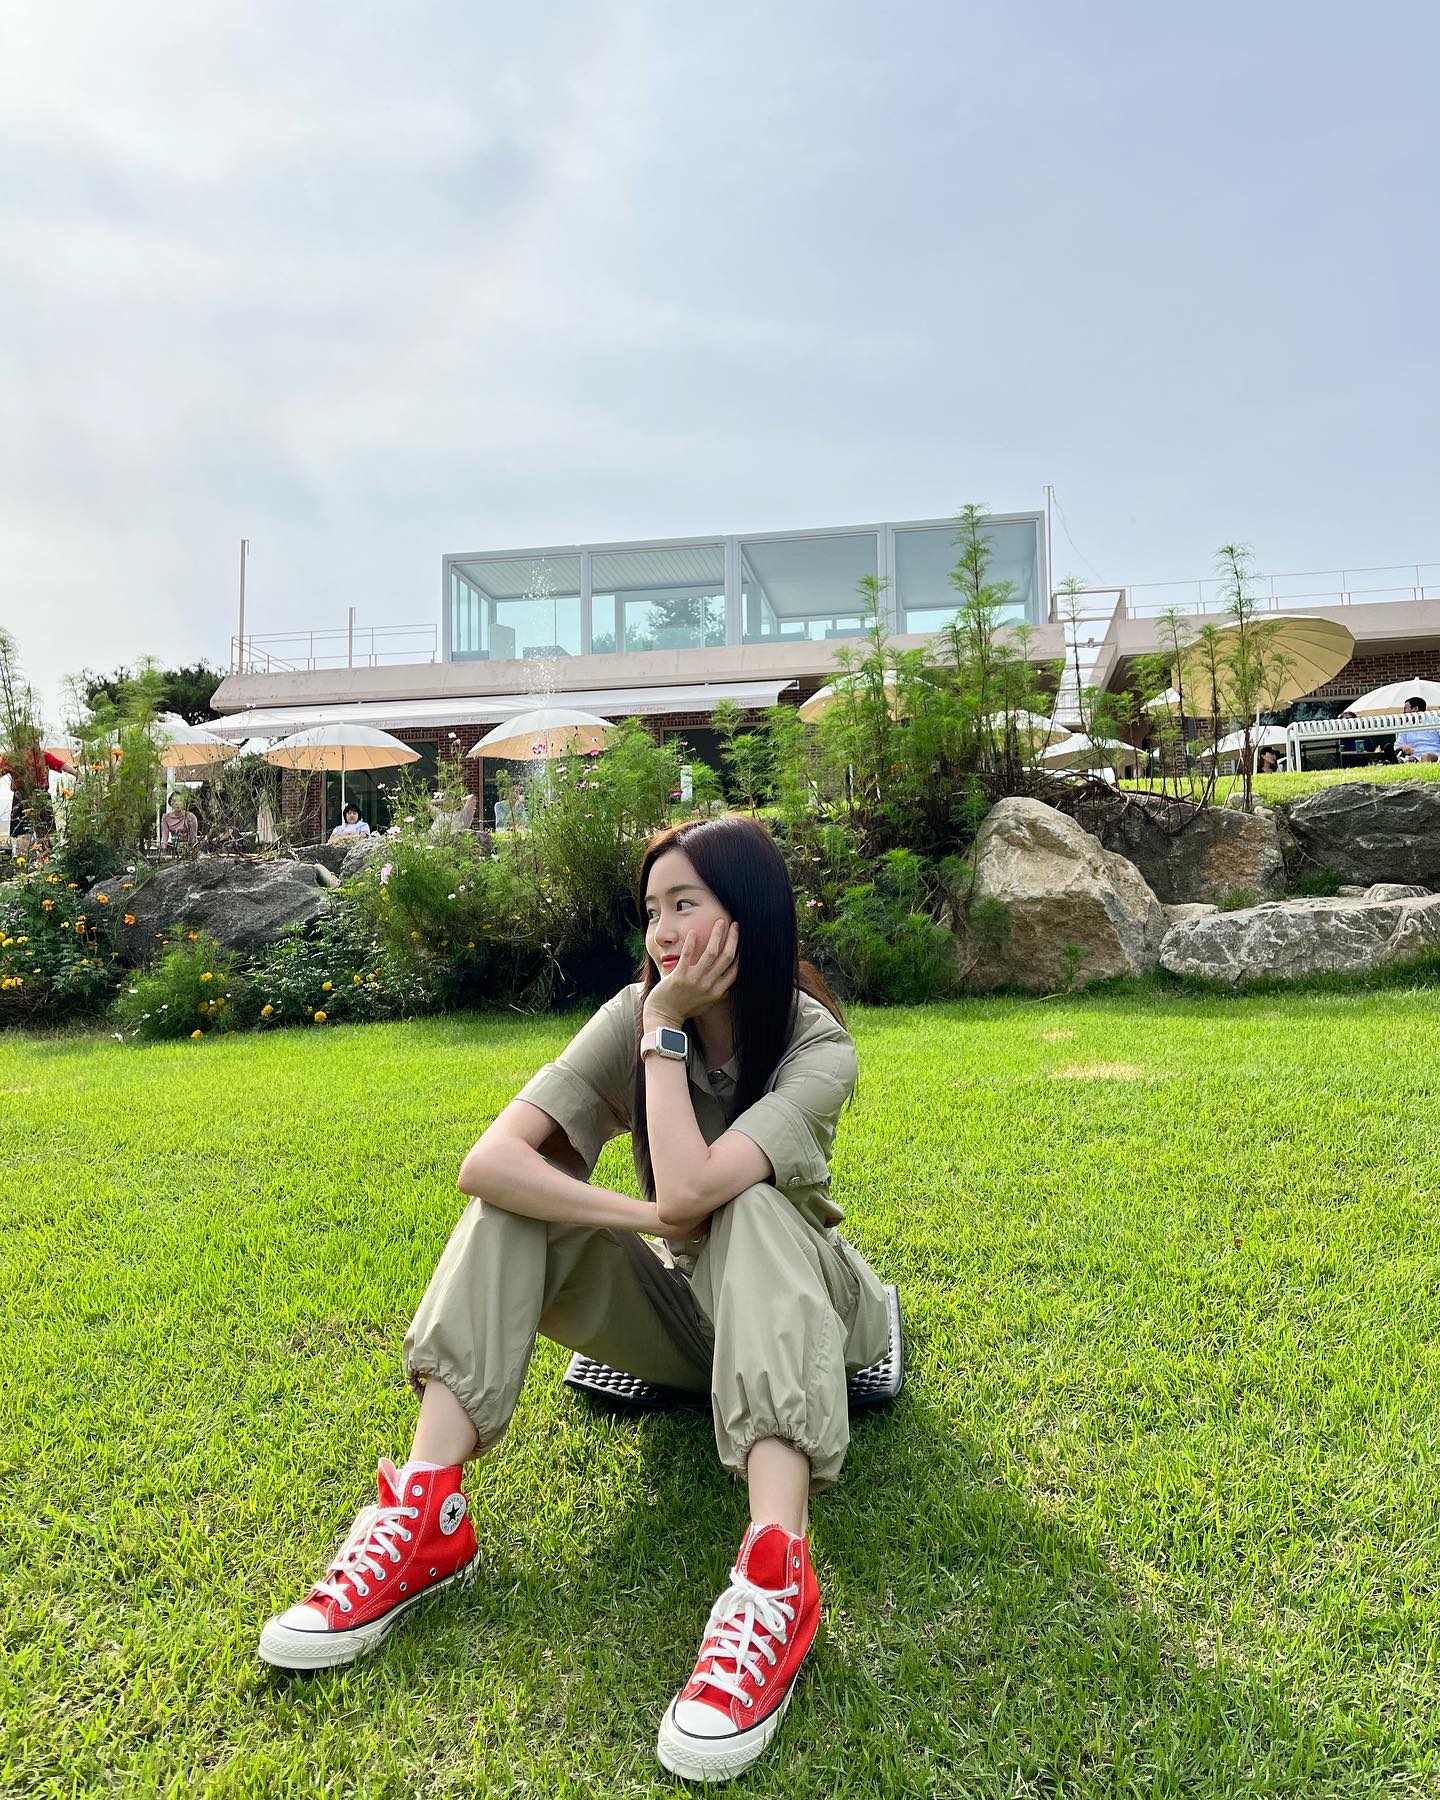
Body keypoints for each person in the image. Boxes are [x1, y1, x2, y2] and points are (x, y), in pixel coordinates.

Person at [258, 815, 892, 1783]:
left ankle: (777, 1570)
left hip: (816, 1324)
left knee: (752, 1207)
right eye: (652, 911)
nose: (663, 933)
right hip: (696, 1322)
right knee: (523, 1202)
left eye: (686, 905)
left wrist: (665, 1040)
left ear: (750, 916)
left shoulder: (818, 1047)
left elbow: (696, 1191)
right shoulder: (630, 1012)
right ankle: (425, 1513)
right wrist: (635, 1210)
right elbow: (489, 1164)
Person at [1394, 697, 1440, 763]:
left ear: (1415, 709)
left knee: (1426, 756)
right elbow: (1396, 746)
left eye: (1405, 709)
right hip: (1414, 756)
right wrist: (1401, 747)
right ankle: (1391, 760)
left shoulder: (1435, 721)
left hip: (1434, 755)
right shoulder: (1406, 726)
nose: (1404, 713)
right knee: (1402, 760)